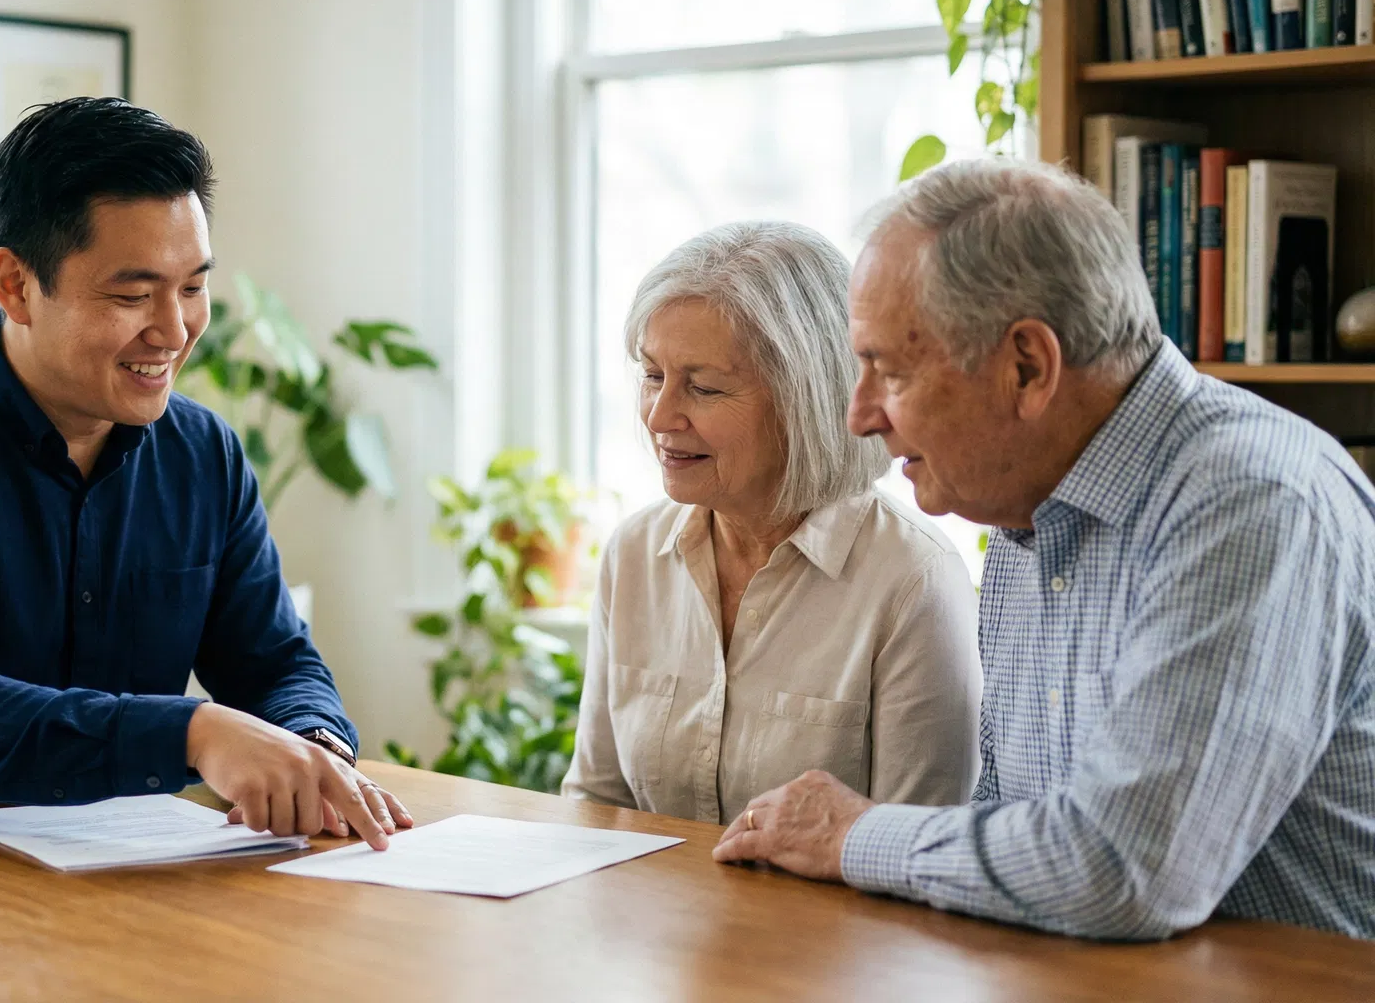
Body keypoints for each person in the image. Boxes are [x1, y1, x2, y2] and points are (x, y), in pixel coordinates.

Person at [713, 159, 1375, 940]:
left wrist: (849, 833)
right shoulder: (1026, 511)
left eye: (888, 371)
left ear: (1028, 366)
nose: (860, 417)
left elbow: (1121, 871)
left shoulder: (1252, 501)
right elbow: (1014, 833)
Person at [0, 97, 413, 849]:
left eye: (192, 287)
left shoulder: (204, 455)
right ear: (15, 285)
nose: (175, 329)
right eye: (131, 295)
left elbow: (275, 660)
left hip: (117, 873)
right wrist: (194, 733)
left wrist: (312, 744)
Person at [561, 221, 982, 826]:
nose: (659, 415)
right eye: (653, 375)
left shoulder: (913, 582)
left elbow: (916, 854)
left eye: (703, 388)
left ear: (806, 399)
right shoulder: (634, 552)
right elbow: (596, 805)